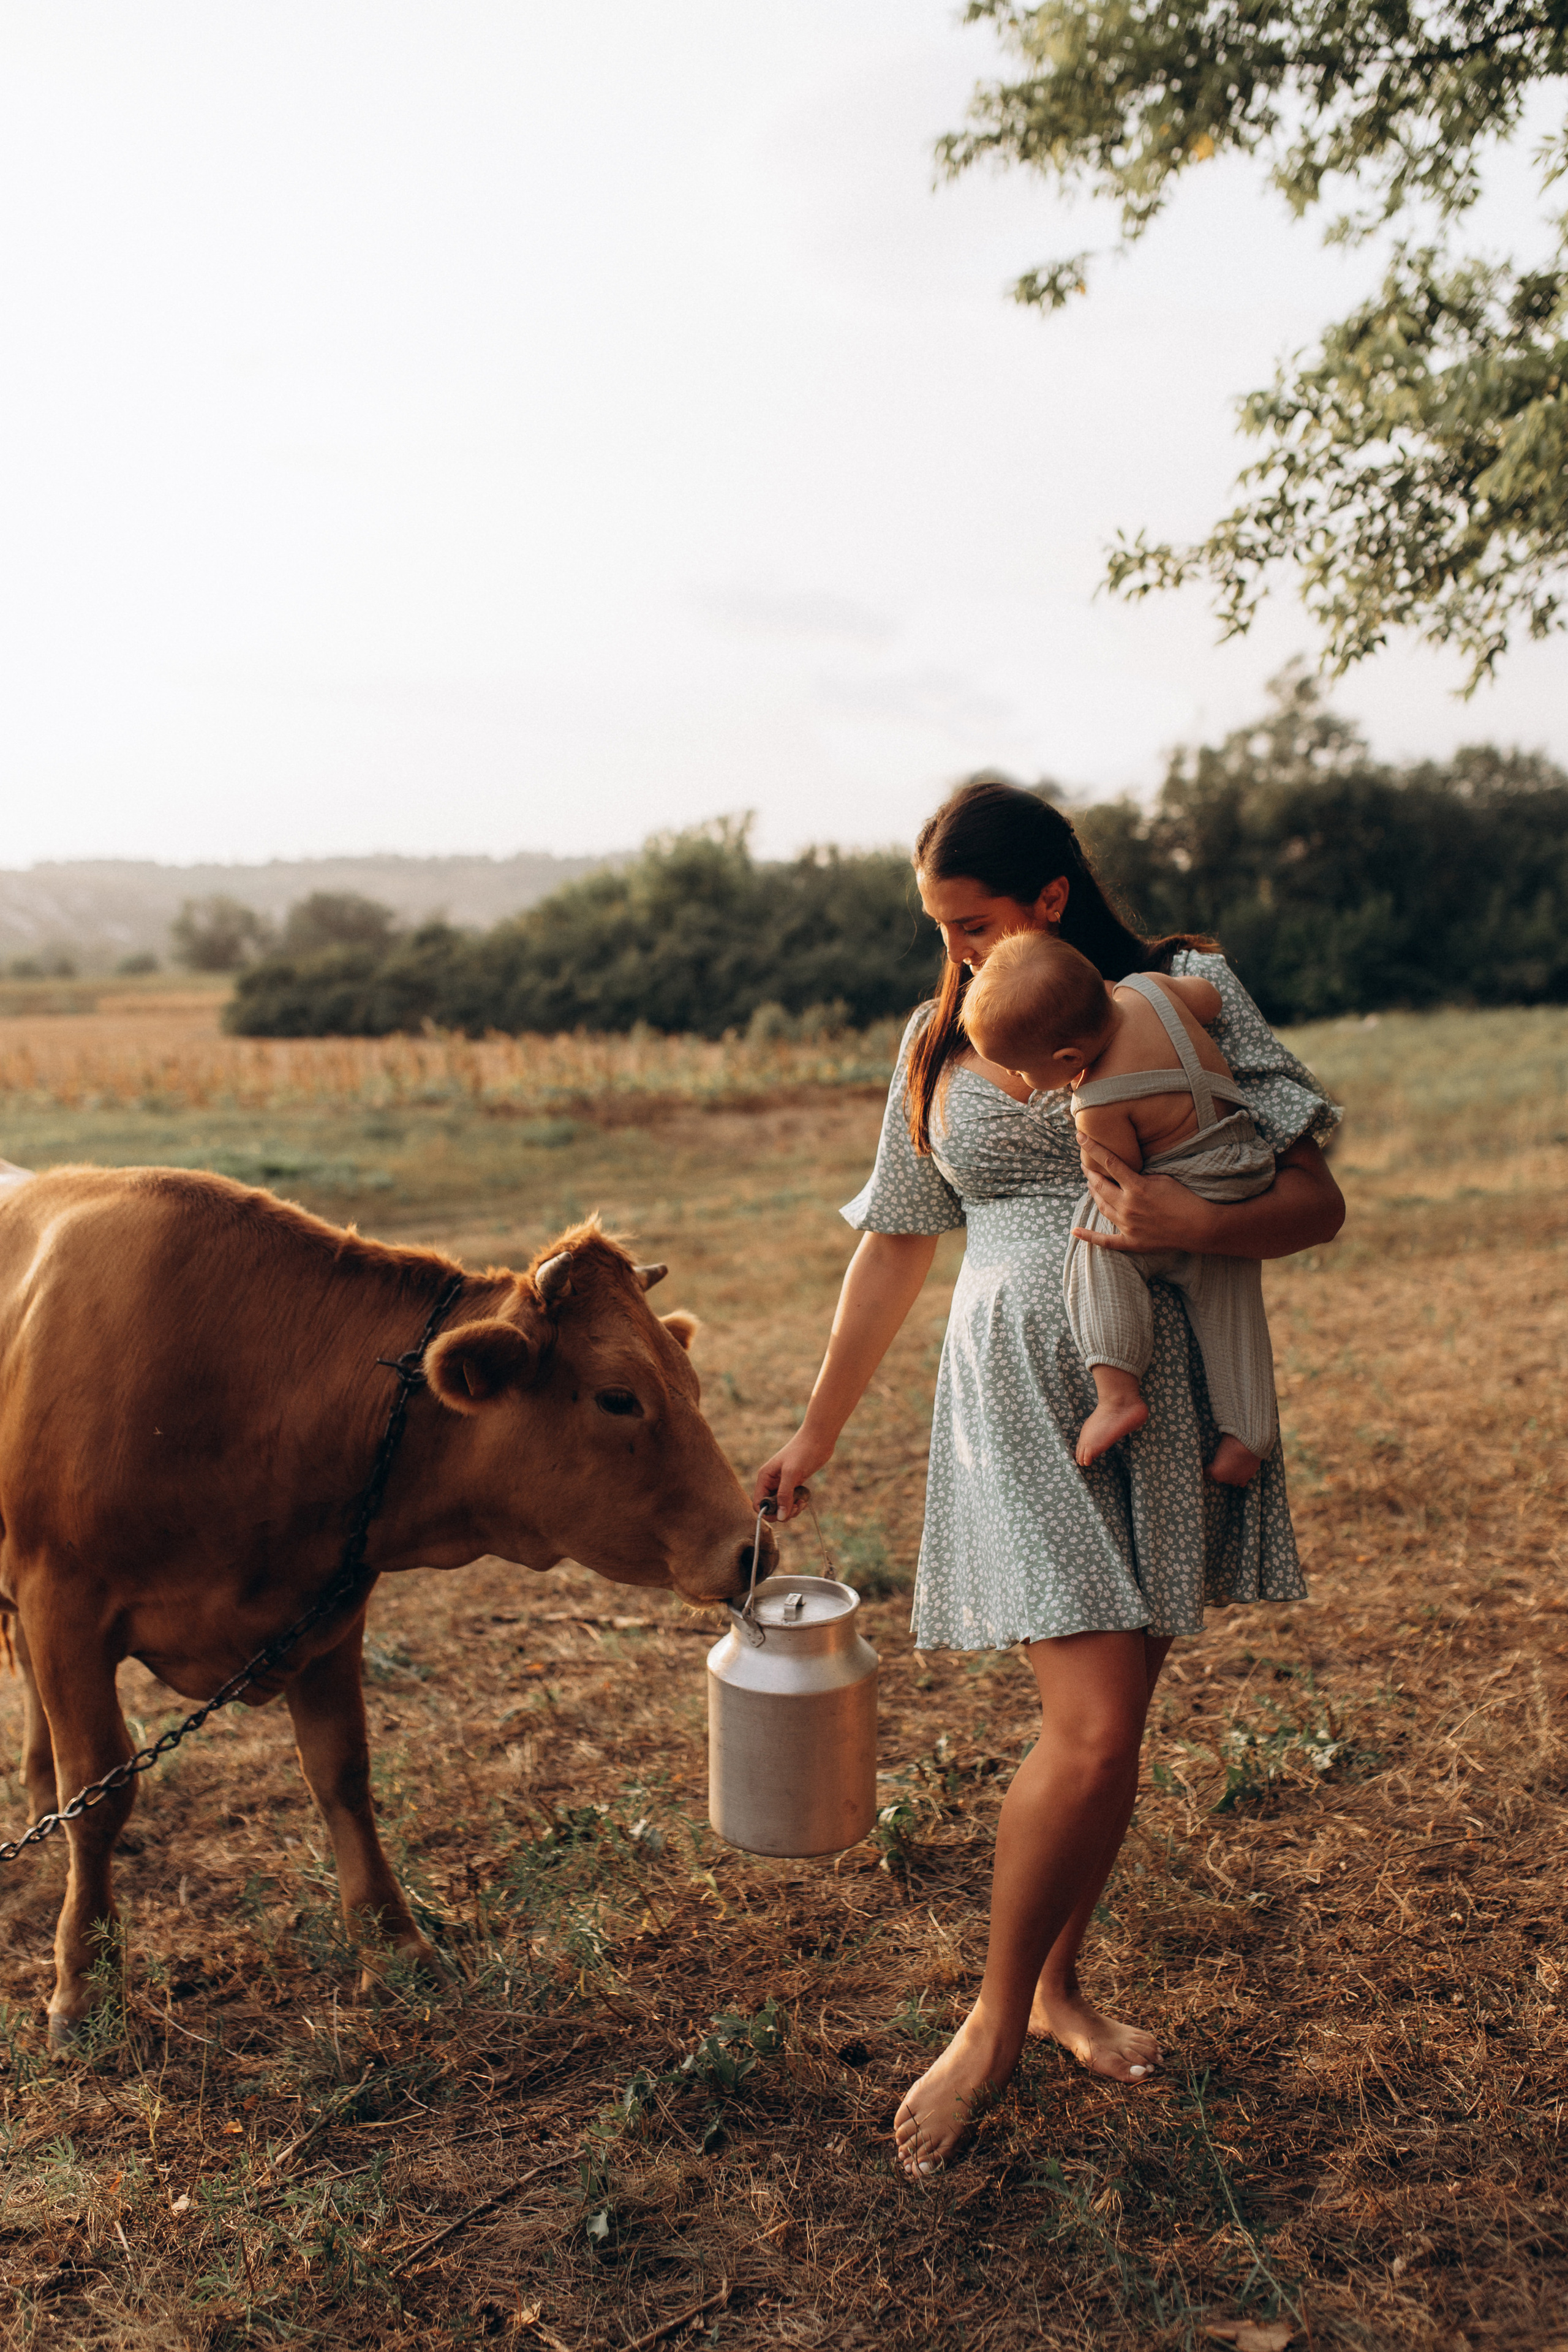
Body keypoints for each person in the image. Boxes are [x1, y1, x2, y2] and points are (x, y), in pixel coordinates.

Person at [753, 780, 1343, 2178]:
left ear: (1052, 899)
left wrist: (1190, 1214)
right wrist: (816, 1431)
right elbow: (898, 1240)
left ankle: (1055, 1989)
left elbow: (1313, 1197)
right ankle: (992, 2020)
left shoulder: (1187, 991)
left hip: (1159, 1389)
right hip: (1015, 1399)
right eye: (938, 931)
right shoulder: (936, 1037)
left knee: (1112, 1730)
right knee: (1089, 1725)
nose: (953, 955)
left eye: (972, 926)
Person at [960, 930, 1280, 1485]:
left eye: (1020, 1069)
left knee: (1096, 1237)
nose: (1017, 1079)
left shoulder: (1097, 1102)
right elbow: (1208, 999)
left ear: (1069, 1058)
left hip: (1183, 1185)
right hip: (1242, 1169)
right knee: (1233, 1307)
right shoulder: (1148, 989)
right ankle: (1248, 1437)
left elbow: (1119, 1175)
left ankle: (1118, 1394)